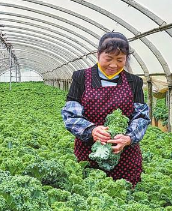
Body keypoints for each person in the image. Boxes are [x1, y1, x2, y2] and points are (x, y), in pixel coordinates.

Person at [61, 32, 150, 186]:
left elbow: (141, 116)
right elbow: (70, 115)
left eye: (120, 60)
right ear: (98, 55)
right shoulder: (81, 78)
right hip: (89, 154)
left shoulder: (134, 82)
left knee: (126, 194)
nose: (113, 65)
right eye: (108, 59)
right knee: (89, 191)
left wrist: (128, 138)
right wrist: (91, 130)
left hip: (125, 158)